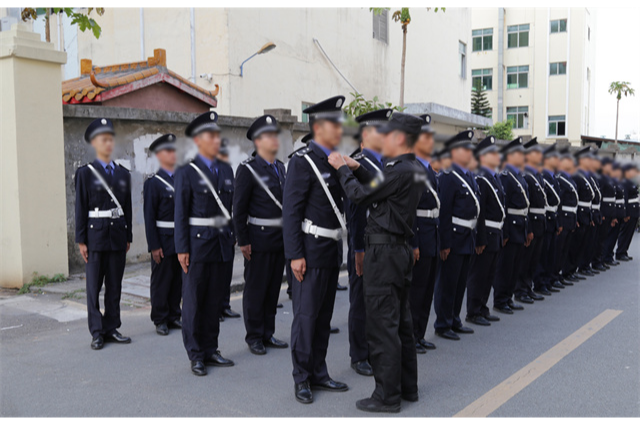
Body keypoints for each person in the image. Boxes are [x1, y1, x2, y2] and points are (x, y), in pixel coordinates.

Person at [327, 112, 426, 414]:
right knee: (402, 325)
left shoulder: (397, 170)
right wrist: (358, 168)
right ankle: (407, 388)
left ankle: (386, 396)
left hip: (384, 256)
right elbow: (383, 191)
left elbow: (360, 196)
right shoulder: (413, 168)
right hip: (399, 253)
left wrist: (343, 169)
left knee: (383, 326)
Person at [284, 96, 350, 405]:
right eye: (335, 124)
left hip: (330, 249)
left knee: (323, 317)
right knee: (306, 316)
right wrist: (295, 254)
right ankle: (302, 378)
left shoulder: (335, 160)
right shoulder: (303, 161)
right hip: (308, 251)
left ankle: (319, 372)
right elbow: (291, 212)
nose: (340, 128)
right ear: (319, 127)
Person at [175, 111, 236, 377]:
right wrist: (181, 248)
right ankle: (196, 354)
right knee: (194, 301)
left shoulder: (226, 168)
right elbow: (180, 213)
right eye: (211, 135)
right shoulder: (187, 172)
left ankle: (211, 348)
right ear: (199, 140)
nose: (216, 139)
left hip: (221, 243)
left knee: (214, 301)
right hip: (197, 245)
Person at [233, 115, 289, 356]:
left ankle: (268, 332)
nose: (275, 139)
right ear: (258, 141)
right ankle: (254, 335)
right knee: (256, 288)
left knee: (273, 288)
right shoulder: (247, 169)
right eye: (270, 135)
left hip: (279, 238)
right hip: (258, 238)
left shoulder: (281, 167)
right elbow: (239, 208)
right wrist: (243, 240)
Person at [75, 118, 133, 351]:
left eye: (110, 139)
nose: (108, 143)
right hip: (95, 237)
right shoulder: (85, 173)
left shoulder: (122, 174)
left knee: (115, 285)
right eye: (103, 139)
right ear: (95, 144)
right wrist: (81, 240)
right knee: (93, 288)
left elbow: (127, 206)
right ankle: (97, 332)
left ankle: (111, 327)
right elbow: (80, 207)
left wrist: (128, 234)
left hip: (117, 236)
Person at [345, 109, 392, 376]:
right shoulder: (359, 162)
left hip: (382, 243)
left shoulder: (385, 163)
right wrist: (358, 248)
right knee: (361, 299)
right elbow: (356, 211)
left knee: (377, 300)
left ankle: (373, 349)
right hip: (364, 243)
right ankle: (359, 354)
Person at [433, 131, 479, 340]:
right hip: (453, 237)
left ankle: (455, 319)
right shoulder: (449, 176)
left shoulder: (468, 175)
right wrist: (444, 243)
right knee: (448, 283)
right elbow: (444, 212)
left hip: (467, 236)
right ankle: (443, 323)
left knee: (460, 283)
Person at [143, 134, 182, 336]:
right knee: (162, 280)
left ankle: (174, 314)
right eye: (168, 151)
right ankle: (160, 318)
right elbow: (149, 217)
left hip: (179, 238)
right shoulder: (153, 183)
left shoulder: (181, 179)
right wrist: (154, 245)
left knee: (177, 279)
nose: (172, 154)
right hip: (163, 239)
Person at [466, 136, 505, 327]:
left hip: (495, 233)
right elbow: (480, 212)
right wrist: (480, 238)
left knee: (489, 274)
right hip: (486, 233)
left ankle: (482, 307)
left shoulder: (493, 177)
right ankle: (473, 311)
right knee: (479, 273)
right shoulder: (481, 178)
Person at [410, 115, 440, 353]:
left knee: (427, 289)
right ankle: (411, 337)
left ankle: (419, 334)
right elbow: (410, 209)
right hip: (420, 233)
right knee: (416, 290)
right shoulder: (414, 167)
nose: (431, 141)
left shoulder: (428, 167)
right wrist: (414, 242)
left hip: (433, 233)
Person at [494, 138, 530, 315]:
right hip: (511, 226)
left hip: (520, 226)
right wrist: (505, 231)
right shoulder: (506, 177)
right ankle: (500, 299)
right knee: (506, 266)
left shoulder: (518, 176)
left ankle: (509, 297)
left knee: (515, 265)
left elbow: (525, 206)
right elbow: (504, 206)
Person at [515, 139, 547, 304]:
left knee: (534, 259)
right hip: (532, 221)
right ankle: (520, 290)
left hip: (540, 221)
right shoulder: (526, 176)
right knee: (525, 259)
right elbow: (527, 204)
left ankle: (528, 287)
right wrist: (529, 228)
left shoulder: (536, 175)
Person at [216, 139, 241, 322]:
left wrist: (234, 230)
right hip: (208, 231)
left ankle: (224, 304)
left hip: (226, 230)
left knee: (226, 270)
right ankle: (213, 308)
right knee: (212, 273)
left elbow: (232, 203)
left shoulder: (227, 170)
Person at [535, 144, 565, 295]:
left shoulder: (551, 176)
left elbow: (557, 202)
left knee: (550, 253)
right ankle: (540, 283)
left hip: (553, 218)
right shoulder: (545, 176)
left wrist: (558, 222)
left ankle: (548, 280)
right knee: (543, 254)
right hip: (545, 217)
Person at [567, 148, 596, 279]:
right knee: (574, 245)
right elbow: (575, 199)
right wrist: (577, 217)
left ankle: (575, 269)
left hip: (586, 213)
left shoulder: (586, 176)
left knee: (582, 245)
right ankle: (569, 270)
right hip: (579, 213)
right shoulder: (577, 176)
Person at [556, 148, 580, 285]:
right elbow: (560, 202)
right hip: (564, 217)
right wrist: (560, 221)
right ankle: (556, 274)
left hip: (571, 217)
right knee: (559, 250)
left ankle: (562, 273)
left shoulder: (569, 178)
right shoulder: (560, 178)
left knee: (565, 249)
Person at [593, 157, 617, 272]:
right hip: (604, 211)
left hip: (609, 211)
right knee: (600, 238)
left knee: (604, 237)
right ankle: (597, 261)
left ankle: (601, 259)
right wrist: (601, 212)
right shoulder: (602, 178)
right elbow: (599, 197)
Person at [602, 163, 625, 266]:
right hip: (607, 212)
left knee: (612, 236)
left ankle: (608, 255)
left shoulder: (614, 181)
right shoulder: (606, 181)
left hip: (613, 212)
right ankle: (605, 256)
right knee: (608, 236)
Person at [616, 164, 639, 262]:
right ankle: (620, 252)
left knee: (629, 233)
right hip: (629, 210)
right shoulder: (625, 182)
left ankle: (624, 251)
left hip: (634, 210)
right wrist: (625, 213)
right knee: (625, 233)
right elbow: (624, 198)